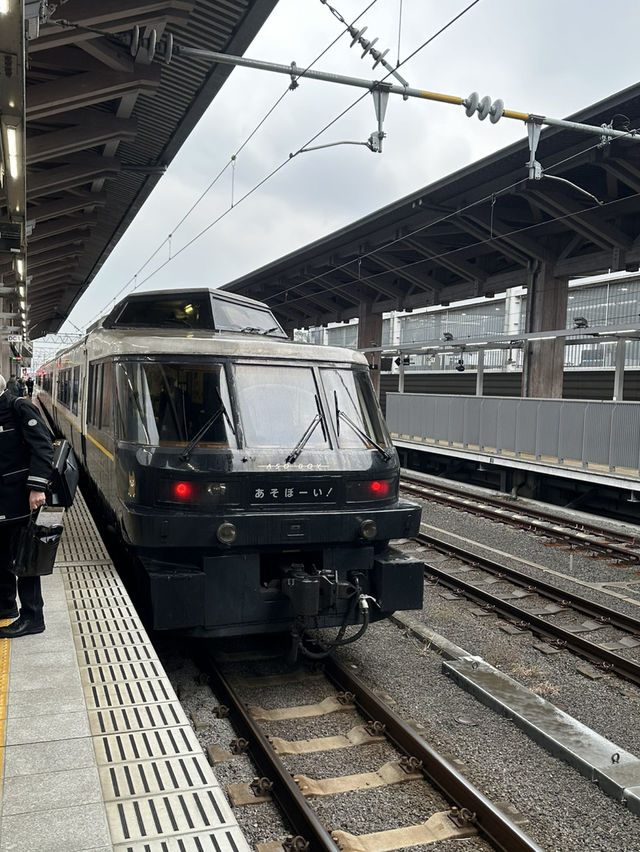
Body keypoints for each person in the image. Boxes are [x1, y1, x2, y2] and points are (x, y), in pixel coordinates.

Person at [0, 373, 54, 637]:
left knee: (24, 556)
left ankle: (33, 617)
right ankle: (6, 605)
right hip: (1, 497)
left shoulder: (18, 407)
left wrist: (37, 487)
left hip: (20, 497)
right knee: (1, 554)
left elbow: (44, 447)